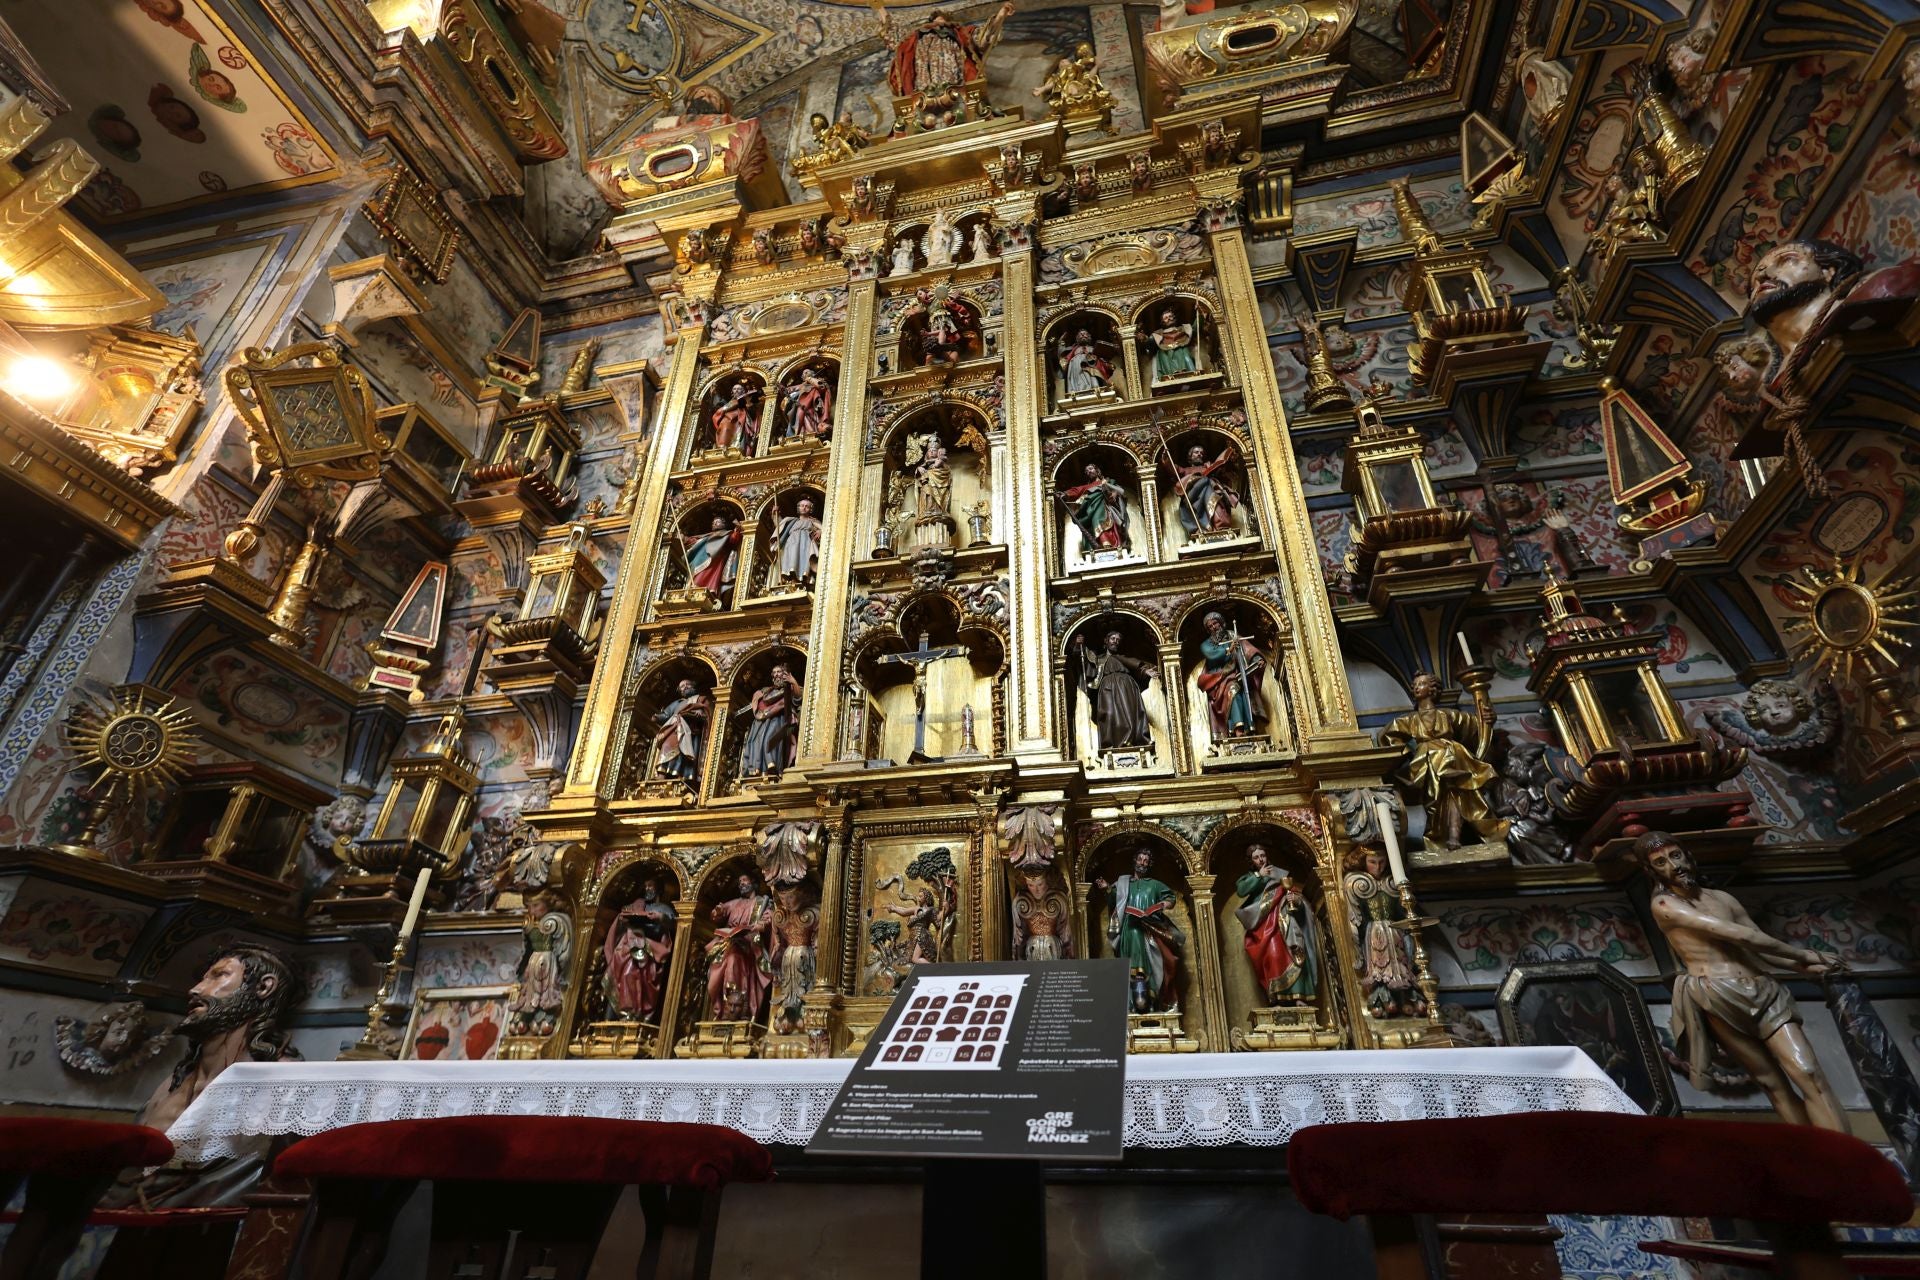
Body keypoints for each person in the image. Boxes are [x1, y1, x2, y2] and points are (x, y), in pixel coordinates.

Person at [1640, 831, 1849, 1132]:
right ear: (1652, 871)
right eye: (1660, 862)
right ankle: (1816, 1162)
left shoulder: (1723, 898)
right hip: (1717, 994)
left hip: (1764, 990)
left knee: (1808, 1071)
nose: (1674, 866)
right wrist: (1805, 954)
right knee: (1771, 1082)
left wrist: (1802, 967)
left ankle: (1848, 1162)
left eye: (1676, 855)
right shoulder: (1664, 906)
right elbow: (1738, 935)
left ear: (1688, 855)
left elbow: (1758, 944)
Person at [1377, 671, 1508, 850]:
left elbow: (1478, 729)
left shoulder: (1449, 715)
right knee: (1435, 805)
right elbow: (1386, 736)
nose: (1416, 687)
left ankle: (1454, 838)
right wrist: (1407, 753)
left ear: (1432, 689)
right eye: (1415, 685)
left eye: (1422, 684)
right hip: (1426, 764)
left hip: (1453, 756)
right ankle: (1439, 837)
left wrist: (1488, 718)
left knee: (1457, 795)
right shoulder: (1409, 720)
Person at [1094, 848, 1185, 1012]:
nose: (1142, 863)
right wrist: (1107, 888)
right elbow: (1113, 900)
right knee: (1133, 963)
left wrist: (1159, 906)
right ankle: (1134, 1001)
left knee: (1159, 962)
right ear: (1135, 861)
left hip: (1150, 928)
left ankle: (1153, 999)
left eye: (1145, 861)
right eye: (1140, 859)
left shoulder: (1154, 884)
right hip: (1129, 928)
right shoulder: (1123, 883)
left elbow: (1170, 898)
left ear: (1149, 864)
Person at [1235, 846, 1317, 1005]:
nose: (1261, 859)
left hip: (1285, 921)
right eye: (1256, 857)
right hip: (1263, 924)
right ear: (1251, 861)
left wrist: (1295, 900)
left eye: (1263, 855)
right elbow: (1241, 890)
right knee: (1273, 956)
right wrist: (1259, 875)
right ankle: (1277, 997)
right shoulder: (1250, 877)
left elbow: (1295, 896)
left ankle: (1299, 996)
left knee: (1294, 952)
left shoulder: (1280, 874)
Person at [883, 3, 1015, 96]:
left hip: (954, 81)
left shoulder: (960, 34)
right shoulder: (917, 37)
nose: (939, 25)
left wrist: (1000, 15)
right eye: (936, 22)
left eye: (943, 22)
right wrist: (879, 8)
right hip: (924, 84)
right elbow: (896, 37)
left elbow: (983, 38)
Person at [704, 873, 774, 1022]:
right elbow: (719, 913)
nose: (741, 884)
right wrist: (717, 911)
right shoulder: (735, 902)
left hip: (749, 944)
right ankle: (725, 1007)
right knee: (725, 963)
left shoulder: (762, 902)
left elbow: (769, 918)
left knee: (735, 959)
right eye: (740, 881)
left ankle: (743, 1008)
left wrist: (762, 924)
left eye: (745, 880)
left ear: (753, 883)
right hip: (729, 943)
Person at [604, 878, 677, 1022]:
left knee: (630, 972)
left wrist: (660, 917)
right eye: (645, 886)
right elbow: (623, 920)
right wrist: (622, 919)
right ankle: (617, 1015)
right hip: (629, 946)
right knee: (621, 964)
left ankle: (633, 1013)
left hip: (650, 950)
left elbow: (673, 924)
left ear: (659, 889)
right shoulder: (637, 904)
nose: (647, 889)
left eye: (651, 885)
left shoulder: (663, 908)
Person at [1074, 629, 1154, 751]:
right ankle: (1110, 745)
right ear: (1106, 641)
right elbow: (1086, 667)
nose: (1115, 642)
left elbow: (1138, 667)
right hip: (1107, 687)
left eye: (1118, 640)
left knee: (1129, 713)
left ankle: (1132, 742)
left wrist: (1146, 671)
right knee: (1109, 714)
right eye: (1113, 639)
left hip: (1126, 686)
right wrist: (1079, 645)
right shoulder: (1098, 659)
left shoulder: (1123, 658)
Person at [1195, 610, 1266, 738]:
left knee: (1241, 689)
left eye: (1215, 624)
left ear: (1221, 623)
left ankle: (1247, 726)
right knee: (1232, 688)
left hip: (1238, 674)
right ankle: (1237, 728)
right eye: (1210, 626)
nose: (1213, 628)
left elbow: (1247, 649)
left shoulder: (1233, 635)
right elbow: (1212, 655)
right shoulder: (1206, 645)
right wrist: (1229, 649)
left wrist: (1256, 660)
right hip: (1219, 678)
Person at [738, 661, 801, 779]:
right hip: (762, 721)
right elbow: (757, 701)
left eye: (779, 672)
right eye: (774, 673)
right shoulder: (767, 690)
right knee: (756, 740)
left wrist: (793, 682)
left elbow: (798, 698)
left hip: (780, 719)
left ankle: (772, 765)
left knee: (770, 739)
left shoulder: (789, 688)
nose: (777, 674)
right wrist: (758, 696)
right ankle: (757, 769)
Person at [1168, 443, 1241, 535]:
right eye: (1196, 452)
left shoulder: (1208, 467)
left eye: (1201, 453)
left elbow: (1224, 478)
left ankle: (1220, 527)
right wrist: (1166, 459)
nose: (1199, 454)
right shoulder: (1186, 470)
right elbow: (1173, 469)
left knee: (1216, 498)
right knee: (1206, 480)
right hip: (1192, 496)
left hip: (1210, 493)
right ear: (1190, 456)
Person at [1059, 461, 1131, 555]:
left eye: (1091, 469)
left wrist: (1114, 494)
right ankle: (1103, 545)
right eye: (1086, 471)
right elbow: (1076, 490)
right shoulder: (1087, 487)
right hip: (1091, 509)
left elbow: (1117, 491)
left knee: (1101, 520)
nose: (1089, 472)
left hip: (1105, 507)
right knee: (1095, 521)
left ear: (1097, 471)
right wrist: (1065, 494)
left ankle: (1108, 545)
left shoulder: (1107, 481)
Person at [651, 678, 711, 784]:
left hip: (691, 731)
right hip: (674, 727)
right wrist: (657, 717)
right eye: (682, 686)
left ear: (693, 686)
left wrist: (700, 711)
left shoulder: (700, 698)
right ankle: (662, 774)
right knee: (667, 745)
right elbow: (666, 714)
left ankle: (682, 776)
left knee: (685, 752)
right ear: (680, 691)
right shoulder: (677, 703)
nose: (685, 687)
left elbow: (707, 711)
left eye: (688, 684)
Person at [681, 515, 741, 598]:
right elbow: (694, 541)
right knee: (696, 575)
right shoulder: (708, 535)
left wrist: (737, 530)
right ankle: (692, 590)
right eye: (713, 522)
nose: (714, 524)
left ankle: (706, 592)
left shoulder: (726, 534)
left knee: (705, 576)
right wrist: (683, 538)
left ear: (724, 524)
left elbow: (733, 540)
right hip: (700, 559)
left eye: (717, 522)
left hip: (715, 560)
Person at [770, 497, 823, 588]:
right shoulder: (791, 521)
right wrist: (775, 514)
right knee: (791, 559)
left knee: (803, 560)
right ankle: (790, 580)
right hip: (791, 543)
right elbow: (779, 527)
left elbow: (825, 528)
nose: (804, 507)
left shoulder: (813, 521)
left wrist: (820, 531)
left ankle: (802, 581)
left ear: (810, 509)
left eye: (807, 506)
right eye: (802, 506)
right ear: (798, 508)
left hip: (805, 543)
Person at [1058, 328, 1116, 396]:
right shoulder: (1072, 349)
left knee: (1093, 379)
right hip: (1076, 365)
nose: (1082, 335)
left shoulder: (1093, 348)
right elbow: (1062, 354)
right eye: (1080, 334)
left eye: (1084, 334)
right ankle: (1076, 393)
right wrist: (1061, 342)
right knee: (1077, 381)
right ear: (1077, 338)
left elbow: (1102, 360)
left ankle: (1095, 391)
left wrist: (1107, 365)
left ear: (1089, 337)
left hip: (1091, 366)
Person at [1147, 308, 1199, 381]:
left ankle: (1190, 372)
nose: (1169, 319)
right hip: (1166, 354)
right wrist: (1144, 339)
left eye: (1170, 316)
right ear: (1162, 321)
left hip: (1182, 352)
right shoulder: (1158, 334)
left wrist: (1199, 314)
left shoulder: (1184, 328)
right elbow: (1149, 345)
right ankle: (1168, 376)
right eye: (1166, 318)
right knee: (1163, 352)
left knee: (1183, 350)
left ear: (1174, 317)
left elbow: (1196, 328)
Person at [708, 380, 759, 451]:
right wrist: (715, 393)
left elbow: (753, 414)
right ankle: (722, 448)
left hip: (739, 421)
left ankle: (736, 449)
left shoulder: (744, 401)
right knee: (724, 429)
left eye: (739, 389)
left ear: (743, 391)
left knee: (734, 432)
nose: (737, 390)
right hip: (726, 421)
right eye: (735, 389)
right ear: (732, 392)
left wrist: (748, 402)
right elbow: (719, 405)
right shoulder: (728, 403)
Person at [784, 366, 833, 438]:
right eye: (804, 373)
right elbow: (790, 390)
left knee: (809, 420)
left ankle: (809, 434)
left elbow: (821, 387)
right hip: (799, 406)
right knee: (799, 418)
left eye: (807, 372)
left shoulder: (817, 381)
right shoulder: (802, 385)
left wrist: (810, 379)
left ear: (813, 374)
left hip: (812, 407)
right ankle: (798, 434)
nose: (805, 373)